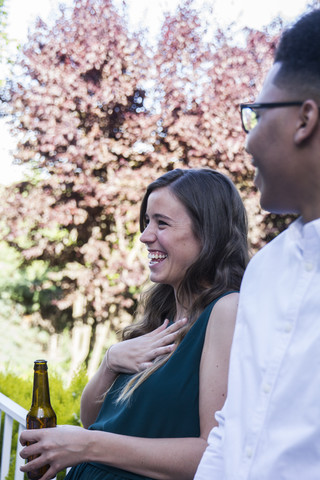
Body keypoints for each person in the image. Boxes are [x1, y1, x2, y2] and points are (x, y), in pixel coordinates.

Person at [20, 168, 248, 480]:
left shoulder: (227, 310)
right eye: (146, 222)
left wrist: (88, 445)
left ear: (208, 232)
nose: (145, 236)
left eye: (162, 223)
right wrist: (110, 361)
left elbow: (212, 454)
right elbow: (93, 419)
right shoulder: (161, 316)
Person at [194, 9, 320, 480]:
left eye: (257, 114)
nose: (247, 143)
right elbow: (232, 431)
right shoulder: (265, 271)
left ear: (304, 118)